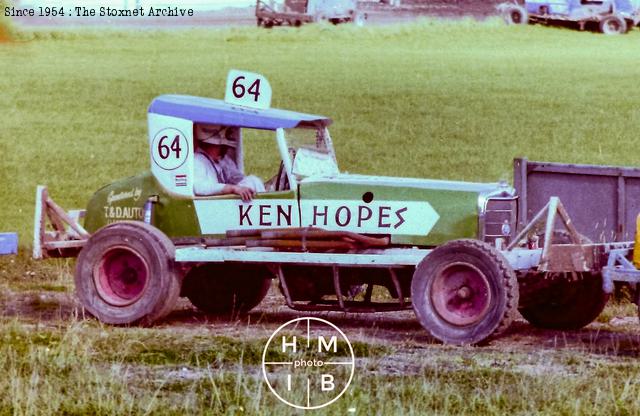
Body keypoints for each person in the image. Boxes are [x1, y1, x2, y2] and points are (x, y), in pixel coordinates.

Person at [193, 124, 265, 201]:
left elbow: (237, 178)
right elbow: (199, 187)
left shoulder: (223, 160)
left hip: (222, 204)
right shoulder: (197, 160)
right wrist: (231, 188)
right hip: (211, 206)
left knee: (253, 180)